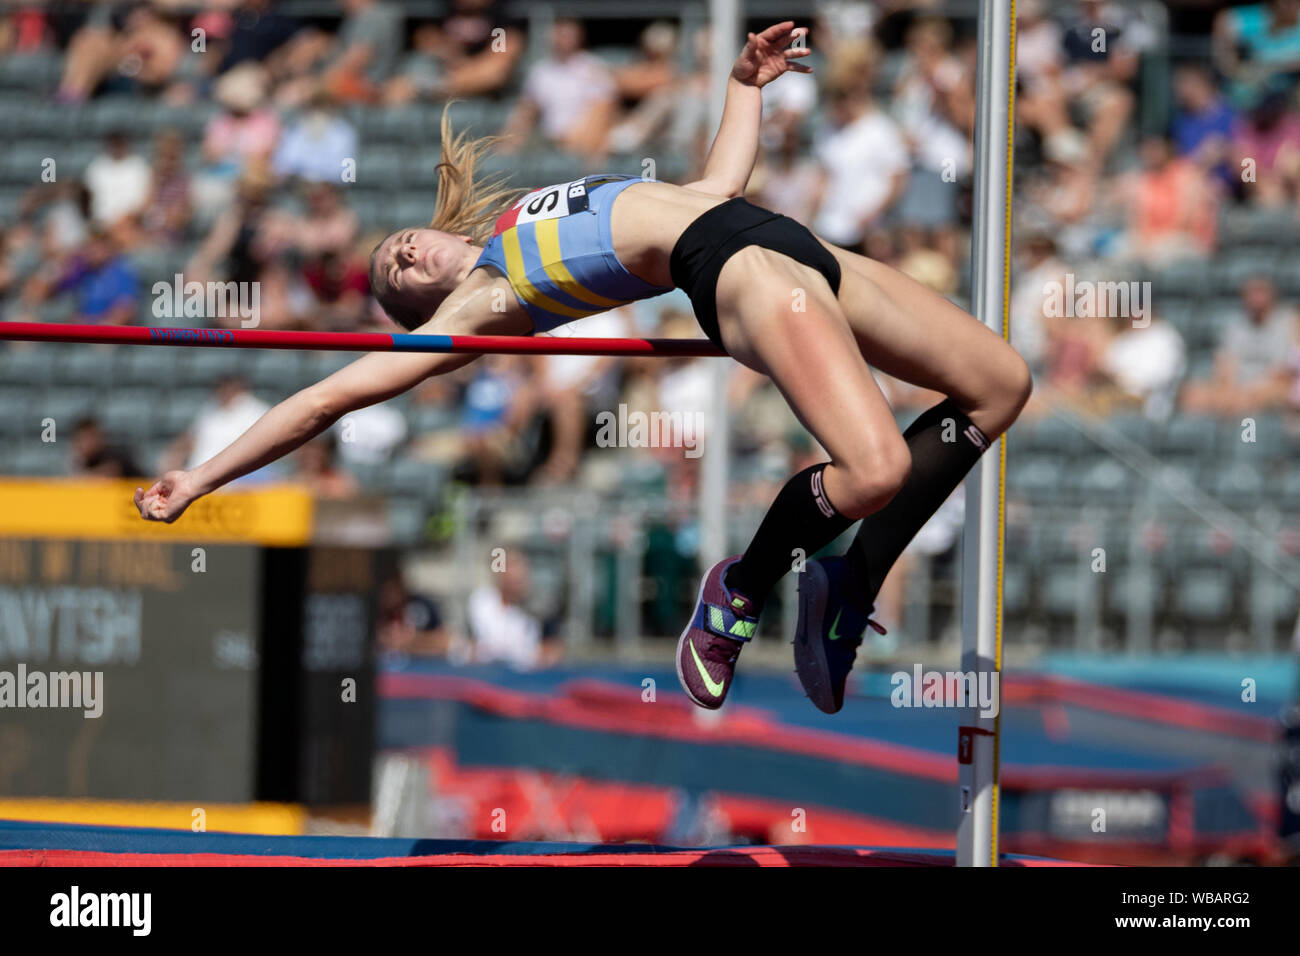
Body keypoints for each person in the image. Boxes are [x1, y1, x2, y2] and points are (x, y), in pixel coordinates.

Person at [134, 23, 1031, 717]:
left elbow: (708, 189)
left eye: (395, 244)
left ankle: (851, 582)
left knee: (1000, 384)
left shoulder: (522, 213)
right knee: (874, 469)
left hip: (779, 236)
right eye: (390, 278)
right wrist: (202, 478)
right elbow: (330, 395)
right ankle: (739, 592)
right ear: (422, 311)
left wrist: (742, 86)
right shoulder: (482, 300)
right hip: (743, 277)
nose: (397, 255)